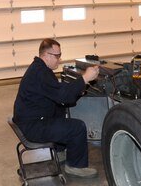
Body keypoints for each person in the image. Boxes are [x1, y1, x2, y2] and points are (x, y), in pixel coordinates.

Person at [13, 38, 100, 178]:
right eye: (57, 56)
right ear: (46, 55)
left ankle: (59, 153)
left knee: (59, 110)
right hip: (32, 127)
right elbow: (62, 95)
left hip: (29, 120)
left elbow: (57, 92)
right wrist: (84, 79)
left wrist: (78, 89)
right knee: (77, 127)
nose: (59, 60)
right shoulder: (41, 73)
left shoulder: (39, 68)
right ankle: (75, 166)